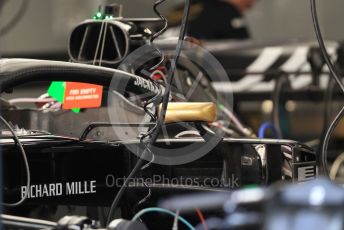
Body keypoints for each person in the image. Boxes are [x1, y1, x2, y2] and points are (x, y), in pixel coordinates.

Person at [167, 0, 257, 40]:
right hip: (196, 74)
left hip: (161, 71)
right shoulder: (226, 10)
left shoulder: (179, 9)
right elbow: (245, 52)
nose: (252, 3)